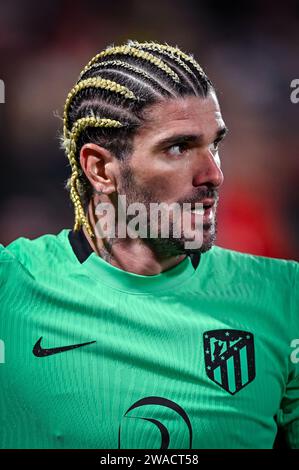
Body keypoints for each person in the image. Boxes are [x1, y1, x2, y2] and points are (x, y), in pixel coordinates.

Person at [0, 40, 298, 450]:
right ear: (101, 169)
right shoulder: (10, 288)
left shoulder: (285, 296)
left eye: (215, 145)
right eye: (179, 147)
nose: (213, 173)